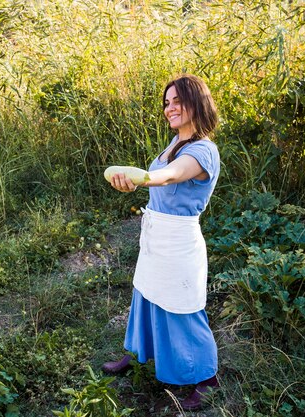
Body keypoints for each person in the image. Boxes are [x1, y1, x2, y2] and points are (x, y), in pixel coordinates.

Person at [102, 73, 221, 411]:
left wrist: (141, 180)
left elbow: (172, 175)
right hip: (157, 237)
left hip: (180, 242)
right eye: (167, 103)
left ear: (196, 102)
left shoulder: (203, 150)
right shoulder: (175, 143)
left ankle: (207, 378)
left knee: (183, 308)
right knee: (146, 295)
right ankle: (139, 354)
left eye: (177, 102)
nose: (170, 108)